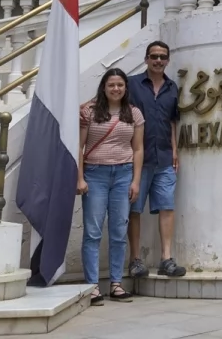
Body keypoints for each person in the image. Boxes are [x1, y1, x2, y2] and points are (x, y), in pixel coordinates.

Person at [78, 68, 144, 304]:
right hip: (95, 174)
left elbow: (138, 149)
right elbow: (79, 146)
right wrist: (80, 178)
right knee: (93, 232)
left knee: (118, 232)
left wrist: (136, 181)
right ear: (103, 88)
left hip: (123, 174)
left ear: (126, 88)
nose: (116, 89)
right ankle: (92, 286)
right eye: (111, 85)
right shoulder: (90, 112)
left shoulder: (134, 113)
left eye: (120, 85)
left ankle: (116, 284)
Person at [126, 41, 186, 278]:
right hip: (137, 158)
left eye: (162, 57)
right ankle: (135, 260)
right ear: (146, 59)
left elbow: (173, 122)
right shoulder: (132, 85)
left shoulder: (172, 88)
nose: (158, 61)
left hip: (164, 158)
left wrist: (174, 150)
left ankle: (166, 259)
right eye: (154, 56)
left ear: (168, 60)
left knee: (167, 207)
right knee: (134, 209)